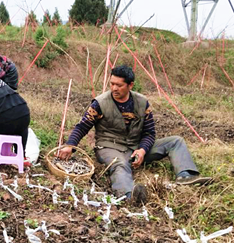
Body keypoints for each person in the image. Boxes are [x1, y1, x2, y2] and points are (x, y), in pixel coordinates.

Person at [58, 65, 212, 204]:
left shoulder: (142, 103)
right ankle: (129, 195)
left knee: (175, 141)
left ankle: (185, 175)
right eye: (112, 84)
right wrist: (70, 146)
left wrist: (143, 150)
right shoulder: (100, 103)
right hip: (109, 147)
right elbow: (82, 127)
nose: (114, 88)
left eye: (119, 85)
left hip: (135, 146)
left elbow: (149, 133)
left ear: (130, 85)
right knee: (119, 164)